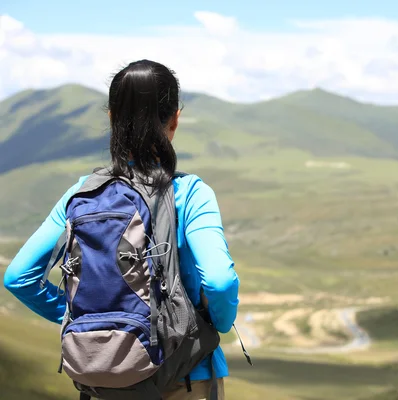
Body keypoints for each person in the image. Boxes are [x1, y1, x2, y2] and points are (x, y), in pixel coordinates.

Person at [3, 59, 239, 400]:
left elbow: (19, 276)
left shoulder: (82, 192)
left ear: (112, 118)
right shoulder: (190, 193)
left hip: (102, 381)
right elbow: (219, 281)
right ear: (174, 119)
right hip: (187, 376)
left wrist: (91, 325)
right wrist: (218, 323)